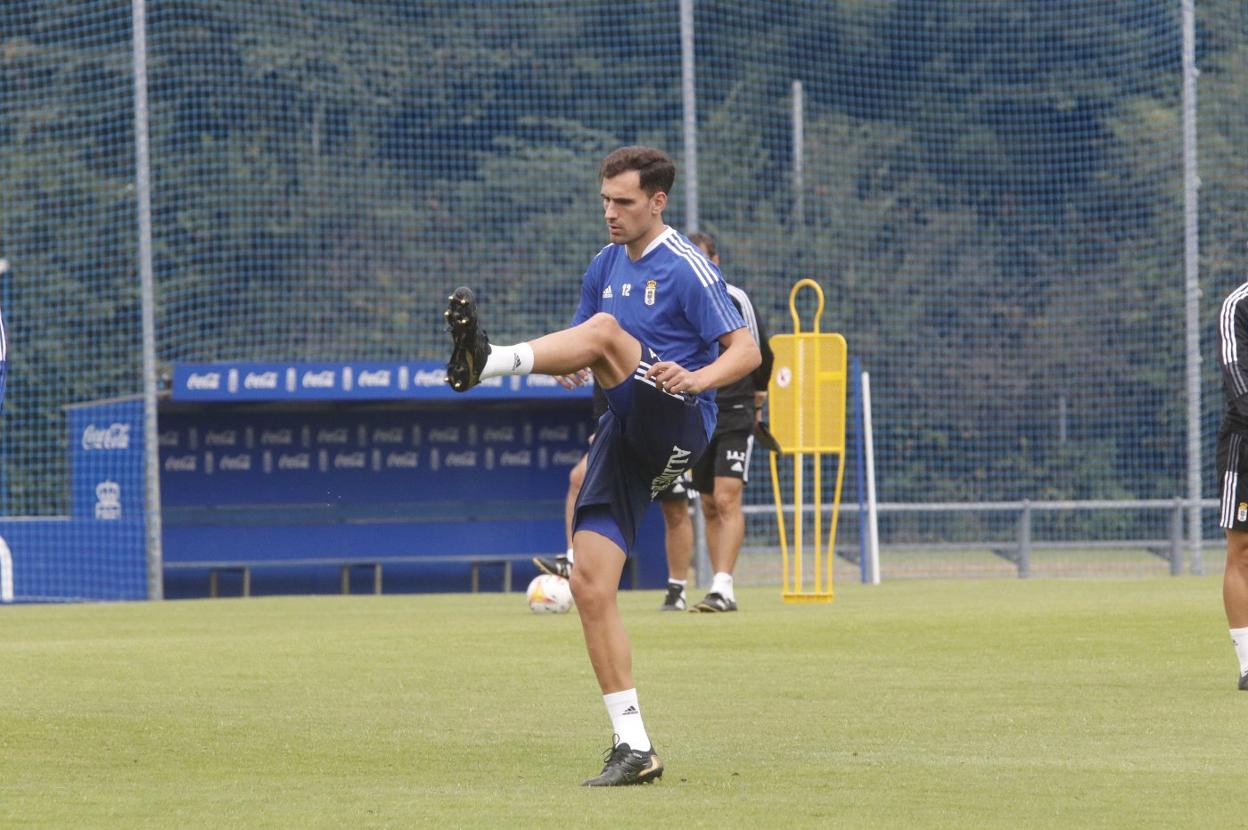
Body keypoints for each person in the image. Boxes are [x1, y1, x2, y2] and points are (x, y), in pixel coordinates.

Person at [445, 146, 761, 785]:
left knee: (609, 331)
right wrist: (578, 366)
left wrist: (697, 379)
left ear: (657, 201)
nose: (611, 213)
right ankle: (635, 747)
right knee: (591, 584)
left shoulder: (686, 266)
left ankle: (487, 361)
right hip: (623, 430)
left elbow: (747, 350)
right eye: (605, 201)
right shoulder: (603, 265)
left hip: (679, 418)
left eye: (623, 201)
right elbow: (581, 341)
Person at [654, 232, 774, 613]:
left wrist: (758, 403)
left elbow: (761, 354)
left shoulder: (735, 298)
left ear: (715, 262)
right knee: (706, 503)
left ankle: (723, 586)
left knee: (726, 496)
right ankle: (709, 585)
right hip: (696, 409)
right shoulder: (676, 300)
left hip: (737, 408)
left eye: (703, 259)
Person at [1218, 278, 1248, 690]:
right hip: (1246, 445)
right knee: (1242, 550)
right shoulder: (1237, 306)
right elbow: (1238, 383)